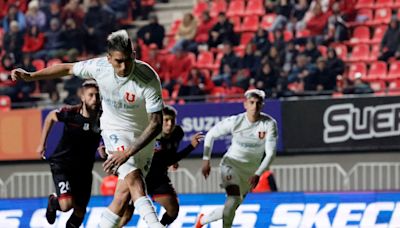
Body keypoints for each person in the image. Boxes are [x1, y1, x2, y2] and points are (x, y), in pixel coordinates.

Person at [11, 29, 165, 228]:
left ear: (134, 55)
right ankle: (155, 225)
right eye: (119, 61)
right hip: (114, 130)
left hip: (143, 136)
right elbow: (66, 68)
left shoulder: (148, 78)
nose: (124, 66)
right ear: (109, 59)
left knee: (122, 197)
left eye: (128, 60)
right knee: (133, 177)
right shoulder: (99, 67)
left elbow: (156, 124)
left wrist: (129, 152)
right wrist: (31, 76)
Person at [195, 89, 278, 228]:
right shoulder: (236, 121)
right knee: (232, 199)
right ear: (245, 104)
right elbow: (210, 135)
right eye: (251, 103)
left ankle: (202, 221)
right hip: (230, 165)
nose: (255, 106)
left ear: (262, 105)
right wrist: (206, 160)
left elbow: (271, 153)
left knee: (231, 208)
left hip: (250, 173)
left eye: (258, 103)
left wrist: (258, 173)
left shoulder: (269, 124)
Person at [115, 105, 204, 226]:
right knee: (126, 214)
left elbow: (170, 155)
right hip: (139, 176)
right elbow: (165, 159)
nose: (170, 123)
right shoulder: (149, 135)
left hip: (158, 178)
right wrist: (190, 147)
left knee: (173, 211)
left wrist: (173, 160)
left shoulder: (177, 133)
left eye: (172, 120)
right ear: (160, 120)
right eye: (166, 120)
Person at [37, 80, 101, 227]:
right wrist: (42, 144)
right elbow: (51, 117)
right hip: (62, 164)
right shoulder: (71, 113)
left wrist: (104, 147)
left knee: (80, 211)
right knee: (66, 206)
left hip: (84, 170)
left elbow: (110, 135)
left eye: (97, 96)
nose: (94, 99)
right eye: (90, 95)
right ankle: (53, 202)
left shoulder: (103, 118)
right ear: (83, 97)